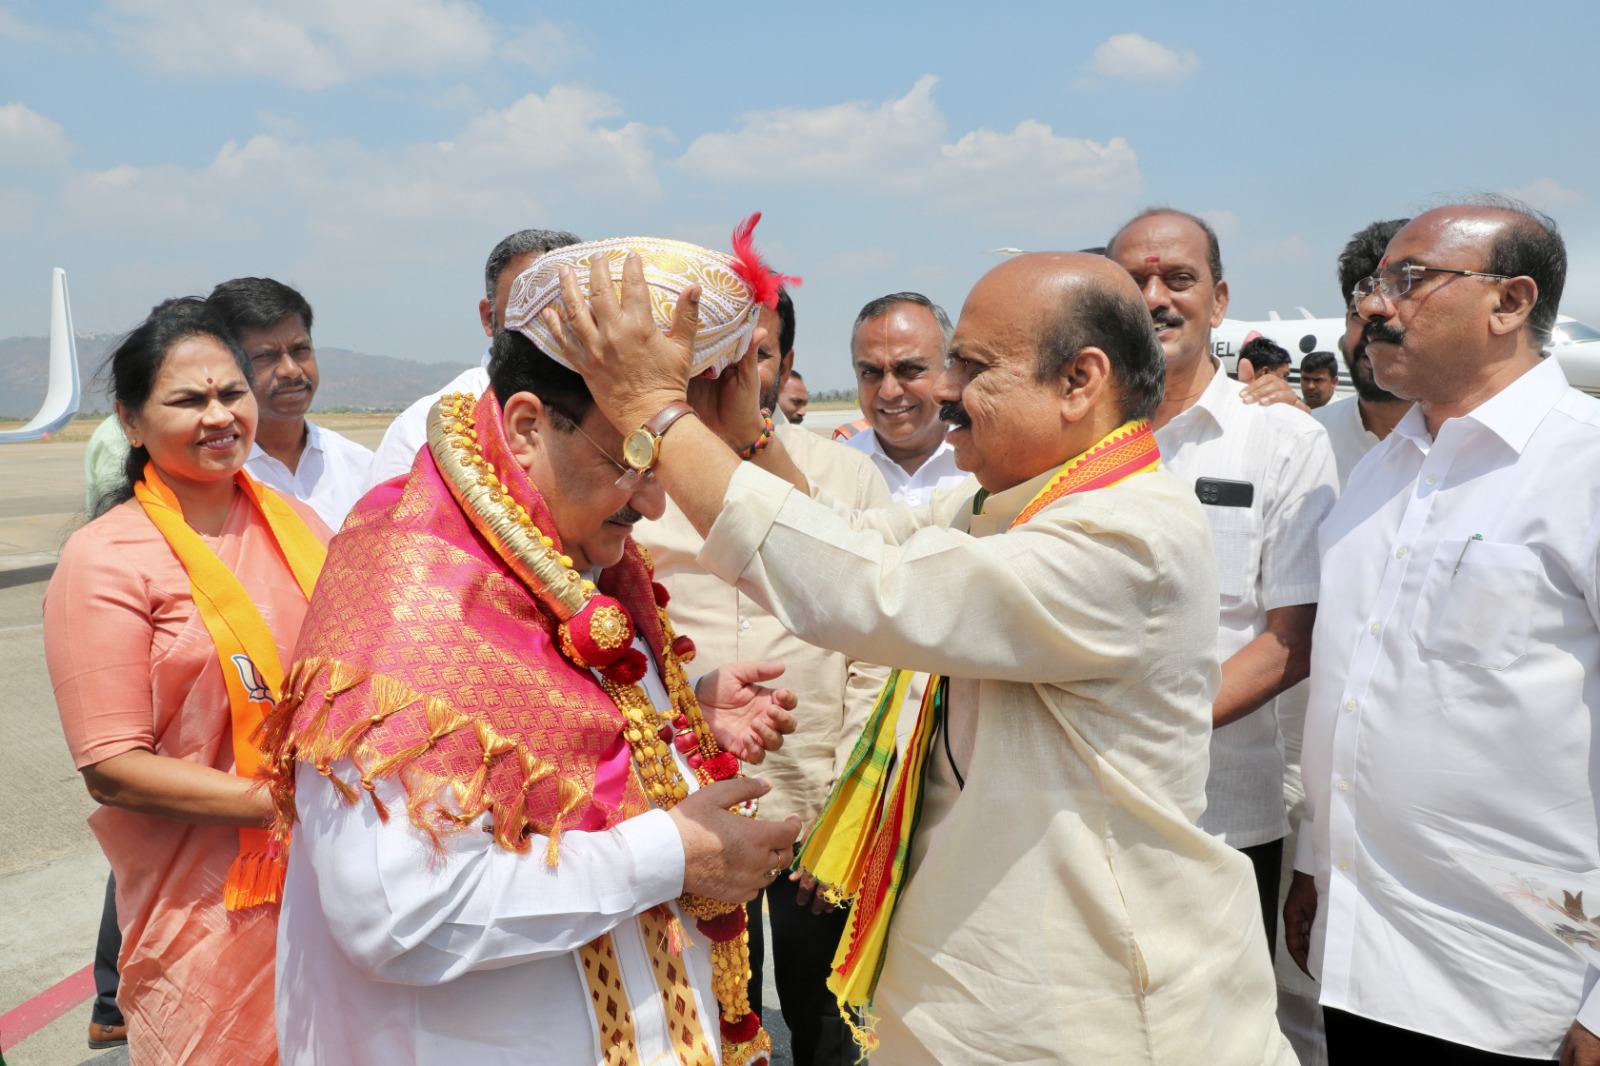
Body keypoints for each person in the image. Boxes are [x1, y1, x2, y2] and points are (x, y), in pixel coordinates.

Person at [549, 247, 1296, 1065]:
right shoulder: (1007, 506)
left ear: (1080, 382)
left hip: (1091, 1009)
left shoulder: (1125, 536)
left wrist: (659, 418)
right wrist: (744, 434)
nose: (944, 392)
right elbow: (850, 539)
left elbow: (865, 588)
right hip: (988, 991)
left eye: (971, 367)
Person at [266, 230, 811, 1066]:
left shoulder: (570, 555)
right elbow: (395, 914)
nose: (652, 503)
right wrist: (674, 854)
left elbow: (574, 750)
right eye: (634, 458)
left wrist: (683, 722)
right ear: (525, 427)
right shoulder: (409, 591)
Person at [1286, 199, 1600, 1065]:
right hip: (1362, 963)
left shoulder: (1583, 466)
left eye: (1410, 281)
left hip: (1521, 990)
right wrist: (1316, 856)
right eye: (1373, 284)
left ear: (1510, 303)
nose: (1374, 306)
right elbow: (1352, 687)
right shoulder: (1378, 474)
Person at [44, 297, 330, 1064]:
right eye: (188, 400)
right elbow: (113, 766)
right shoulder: (106, 558)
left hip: (337, 888)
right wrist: (290, 801)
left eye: (231, 393)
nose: (219, 416)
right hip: (207, 910)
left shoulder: (303, 526)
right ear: (131, 422)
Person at [633, 287, 891, 1065]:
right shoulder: (634, 476)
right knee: (696, 1015)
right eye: (706, 356)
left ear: (781, 362)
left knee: (829, 1023)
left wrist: (850, 808)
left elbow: (879, 658)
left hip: (818, 801)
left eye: (754, 355)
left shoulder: (842, 477)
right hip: (685, 808)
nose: (728, 376)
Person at [1105, 208, 1338, 958]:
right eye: (1133, 282)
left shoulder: (1280, 438)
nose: (1154, 299)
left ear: (1220, 298)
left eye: (1178, 279)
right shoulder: (1069, 435)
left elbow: (1288, 642)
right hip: (1080, 807)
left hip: (1221, 814)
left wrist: (1145, 731)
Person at [366, 228, 580, 486]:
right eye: (528, 306)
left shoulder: (616, 411)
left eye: (566, 305)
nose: (549, 323)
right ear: (488, 318)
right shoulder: (425, 431)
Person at [205, 278, 373, 530]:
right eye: (265, 356)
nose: (291, 370)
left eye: (300, 350)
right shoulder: (208, 476)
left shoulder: (359, 467)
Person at [836, 293, 971, 504]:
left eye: (909, 369)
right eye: (871, 372)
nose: (889, 392)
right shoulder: (836, 471)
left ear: (949, 371)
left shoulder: (990, 468)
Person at [1311, 219, 1415, 490]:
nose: (1374, 333)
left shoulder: (1478, 448)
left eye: (1394, 312)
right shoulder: (1308, 438)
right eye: (1360, 314)